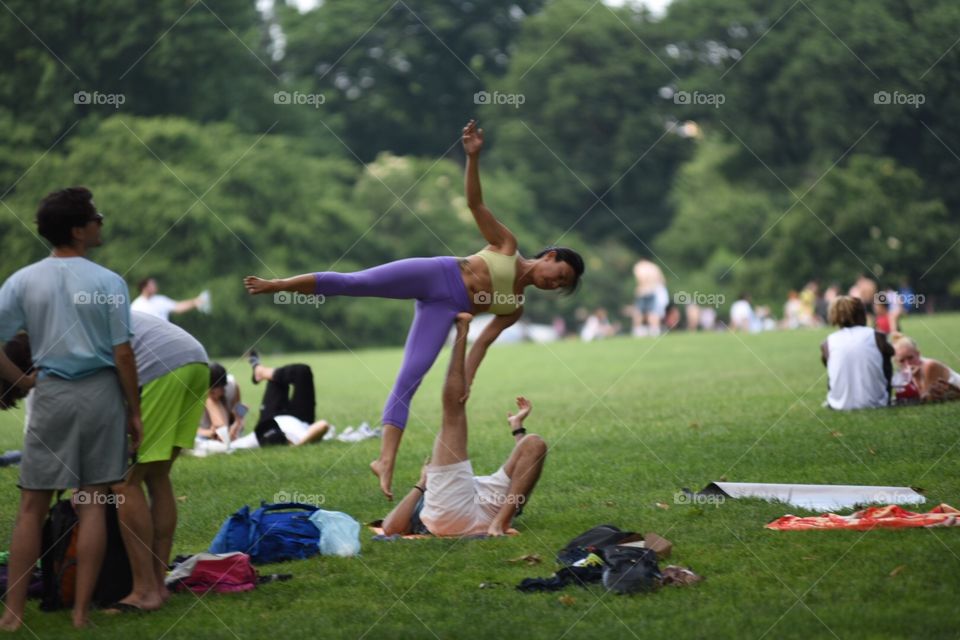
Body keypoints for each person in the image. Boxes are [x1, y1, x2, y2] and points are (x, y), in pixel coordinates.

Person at [243, 120, 583, 499]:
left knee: (411, 376)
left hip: (445, 309)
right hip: (434, 274)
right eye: (559, 274)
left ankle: (384, 461)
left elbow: (482, 343)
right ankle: (279, 284)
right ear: (550, 256)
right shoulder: (507, 245)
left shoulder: (515, 307)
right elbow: (475, 204)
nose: (554, 283)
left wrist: (465, 382)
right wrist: (472, 157)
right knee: (357, 283)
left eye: (560, 286)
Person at [0, 187, 142, 630]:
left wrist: (23, 380)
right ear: (79, 230)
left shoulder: (23, 280)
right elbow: (122, 355)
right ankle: (81, 614)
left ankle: (12, 614)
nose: (101, 223)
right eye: (96, 217)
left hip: (52, 394)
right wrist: (134, 412)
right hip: (100, 395)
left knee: (31, 507)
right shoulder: (108, 281)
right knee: (93, 502)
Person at [381, 313, 546, 537]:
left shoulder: (448, 489)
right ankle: (461, 332)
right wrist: (421, 484)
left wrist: (518, 429)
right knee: (454, 412)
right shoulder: (429, 500)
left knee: (534, 444)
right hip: (453, 514)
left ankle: (500, 524)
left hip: (491, 506)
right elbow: (390, 529)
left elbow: (522, 471)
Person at [110, 311, 209, 611]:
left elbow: (121, 364)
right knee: (157, 474)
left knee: (125, 481)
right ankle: (157, 584)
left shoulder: (63, 326)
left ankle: (144, 592)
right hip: (197, 360)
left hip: (161, 368)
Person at [219, 359, 330, 450]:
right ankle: (260, 371)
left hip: (270, 416)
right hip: (300, 418)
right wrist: (299, 445)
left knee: (275, 381)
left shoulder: (255, 438)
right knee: (303, 371)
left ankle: (260, 371)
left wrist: (235, 427)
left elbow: (229, 445)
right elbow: (323, 425)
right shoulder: (300, 438)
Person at [820, 296, 893, 410]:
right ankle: (884, 397)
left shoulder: (827, 343)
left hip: (838, 406)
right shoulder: (877, 336)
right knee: (885, 359)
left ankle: (835, 399)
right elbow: (891, 353)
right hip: (878, 403)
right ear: (860, 314)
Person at [889, 333, 960, 403]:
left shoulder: (929, 366)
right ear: (896, 362)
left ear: (918, 354)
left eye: (910, 358)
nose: (908, 364)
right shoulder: (902, 376)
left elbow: (926, 399)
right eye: (902, 361)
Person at [197, 363, 246, 442]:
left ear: (223, 387)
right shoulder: (202, 396)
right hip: (205, 432)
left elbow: (239, 411)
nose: (210, 395)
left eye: (213, 392)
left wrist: (238, 423)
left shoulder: (232, 386)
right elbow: (190, 429)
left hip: (228, 429)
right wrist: (209, 433)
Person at [130, 277, 206, 321]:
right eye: (152, 285)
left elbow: (178, 307)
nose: (155, 287)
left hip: (165, 336)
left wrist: (195, 302)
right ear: (145, 287)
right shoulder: (136, 306)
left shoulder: (160, 300)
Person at [632, 259, 666, 337]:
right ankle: (654, 331)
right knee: (653, 312)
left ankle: (638, 331)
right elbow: (662, 280)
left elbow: (640, 279)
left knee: (639, 312)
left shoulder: (639, 266)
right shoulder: (654, 267)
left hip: (642, 291)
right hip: (653, 291)